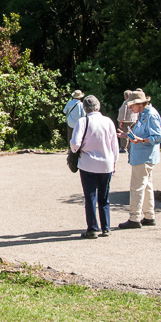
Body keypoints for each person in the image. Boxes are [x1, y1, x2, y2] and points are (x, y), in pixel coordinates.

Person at [70, 95, 119, 239]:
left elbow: (75, 144)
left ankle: (92, 228)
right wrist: (114, 162)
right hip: (106, 164)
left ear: (85, 109)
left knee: (90, 196)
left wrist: (75, 150)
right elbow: (114, 144)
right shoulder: (108, 121)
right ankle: (106, 227)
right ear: (99, 107)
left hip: (88, 164)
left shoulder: (83, 121)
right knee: (104, 197)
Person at [117, 89, 161, 229]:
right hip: (144, 156)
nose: (130, 108)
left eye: (132, 105)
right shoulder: (145, 113)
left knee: (136, 187)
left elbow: (158, 137)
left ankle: (134, 217)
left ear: (140, 103)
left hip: (143, 157)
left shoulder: (150, 115)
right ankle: (149, 216)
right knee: (147, 186)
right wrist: (129, 136)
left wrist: (141, 140)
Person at [116, 90, 138, 154]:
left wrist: (121, 121)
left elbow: (123, 112)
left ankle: (123, 148)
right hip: (134, 120)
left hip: (126, 120)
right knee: (132, 134)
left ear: (126, 96)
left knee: (124, 134)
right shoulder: (134, 102)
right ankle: (130, 147)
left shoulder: (126, 102)